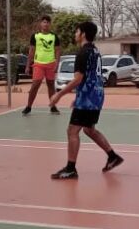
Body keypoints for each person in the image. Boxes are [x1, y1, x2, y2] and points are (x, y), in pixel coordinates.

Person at [48, 21, 124, 180]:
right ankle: (112, 156)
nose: (75, 34)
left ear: (82, 34)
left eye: (76, 31)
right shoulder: (95, 51)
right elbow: (89, 77)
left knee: (72, 131)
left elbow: (78, 79)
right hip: (96, 94)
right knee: (89, 129)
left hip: (89, 97)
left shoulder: (83, 53)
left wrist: (58, 95)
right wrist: (78, 97)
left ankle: (70, 168)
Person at [22, 15, 62, 115]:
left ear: (50, 24)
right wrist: (27, 65)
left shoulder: (54, 36)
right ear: (40, 24)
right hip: (38, 64)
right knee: (35, 84)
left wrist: (57, 63)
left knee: (51, 85)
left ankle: (53, 107)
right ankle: (28, 106)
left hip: (50, 64)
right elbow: (31, 51)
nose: (46, 24)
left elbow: (57, 51)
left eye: (47, 22)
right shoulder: (35, 36)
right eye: (44, 22)